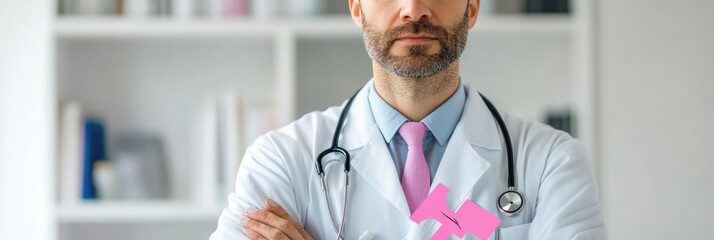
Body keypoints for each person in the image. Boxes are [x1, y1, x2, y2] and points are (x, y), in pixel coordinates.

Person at [210, 0, 606, 239]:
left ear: (472, 6)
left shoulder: (552, 162)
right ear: (355, 6)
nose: (414, 9)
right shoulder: (281, 159)